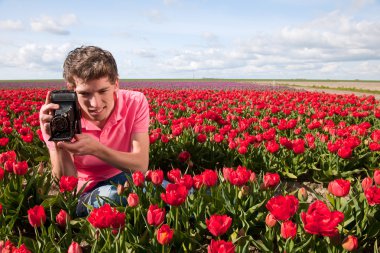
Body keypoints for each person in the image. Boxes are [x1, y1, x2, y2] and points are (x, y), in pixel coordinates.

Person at [39, 46, 150, 217]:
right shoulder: (56, 115)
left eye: (103, 91)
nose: (95, 104)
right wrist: (58, 142)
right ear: (72, 89)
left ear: (116, 84)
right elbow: (65, 182)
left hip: (123, 176)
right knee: (113, 197)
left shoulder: (135, 102)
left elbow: (141, 165)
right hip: (86, 189)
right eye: (85, 94)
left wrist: (96, 149)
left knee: (181, 192)